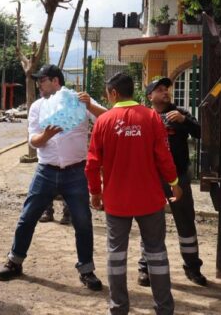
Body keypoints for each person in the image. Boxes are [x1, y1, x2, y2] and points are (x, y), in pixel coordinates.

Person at [0, 64, 105, 291]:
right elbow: (32, 141)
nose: (39, 84)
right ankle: (14, 262)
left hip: (76, 171)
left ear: (55, 81)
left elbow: (107, 120)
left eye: (42, 80)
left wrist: (90, 105)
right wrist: (46, 135)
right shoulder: (37, 106)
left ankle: (87, 270)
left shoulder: (79, 100)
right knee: (27, 217)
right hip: (46, 170)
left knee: (83, 222)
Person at [86, 72, 181, 315]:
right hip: (149, 200)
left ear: (114, 93)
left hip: (116, 202)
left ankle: (118, 308)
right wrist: (174, 182)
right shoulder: (151, 117)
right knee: (156, 253)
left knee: (116, 256)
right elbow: (163, 156)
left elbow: (92, 163)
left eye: (108, 94)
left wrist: (95, 192)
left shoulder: (104, 121)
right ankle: (164, 308)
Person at [137, 78, 207, 287]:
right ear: (150, 96)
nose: (165, 92)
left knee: (185, 223)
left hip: (179, 179)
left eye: (166, 89)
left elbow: (202, 133)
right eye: (159, 90)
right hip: (151, 180)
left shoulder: (179, 114)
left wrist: (185, 121)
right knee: (150, 225)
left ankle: (192, 268)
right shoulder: (144, 116)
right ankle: (145, 268)